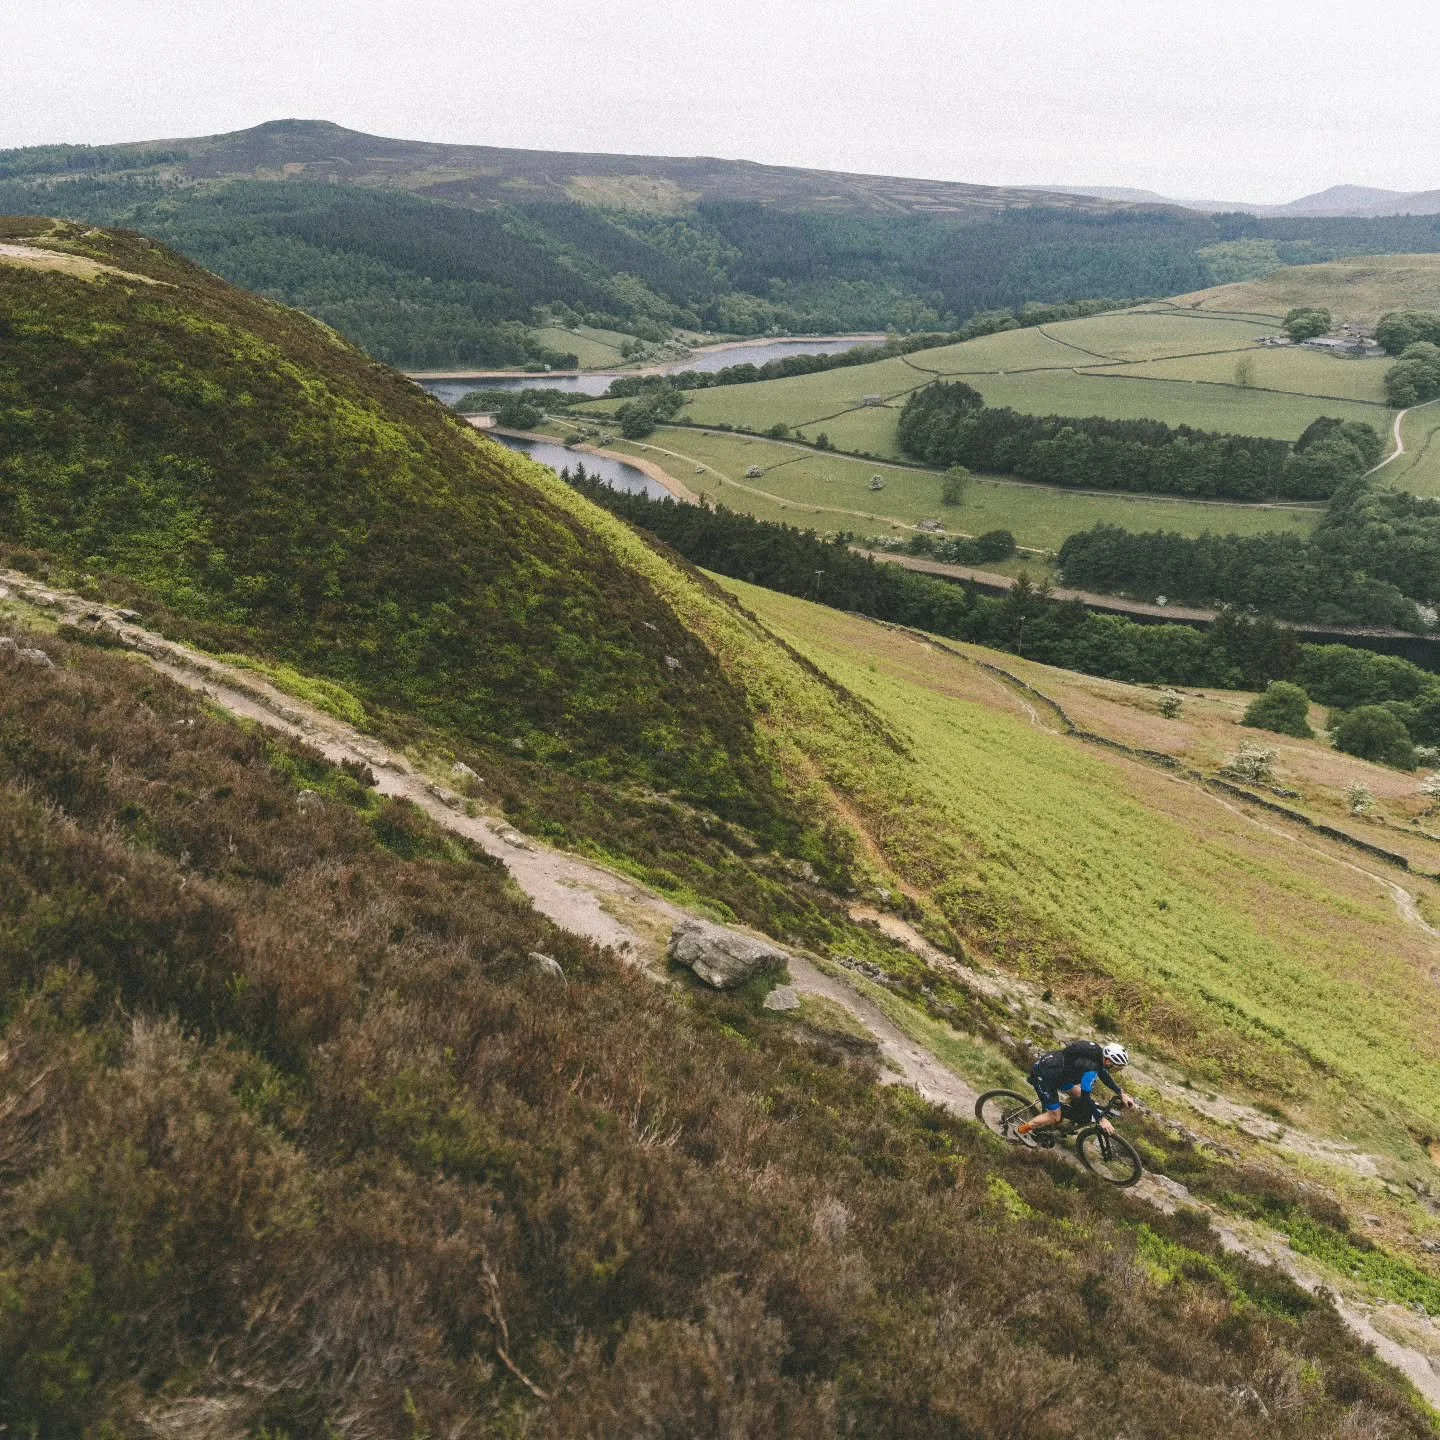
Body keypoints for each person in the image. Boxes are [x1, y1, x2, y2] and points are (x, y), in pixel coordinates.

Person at [1012, 1040, 1135, 1145]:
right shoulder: (1091, 1070)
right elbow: (1087, 1097)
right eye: (1117, 1067)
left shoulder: (1097, 1053)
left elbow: (1103, 1074)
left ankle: (1061, 1116)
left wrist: (1121, 1093)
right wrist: (1101, 1119)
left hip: (1058, 1071)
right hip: (1045, 1076)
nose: (1117, 1070)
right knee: (1055, 1116)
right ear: (1108, 1061)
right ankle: (1021, 1130)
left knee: (1078, 1094)